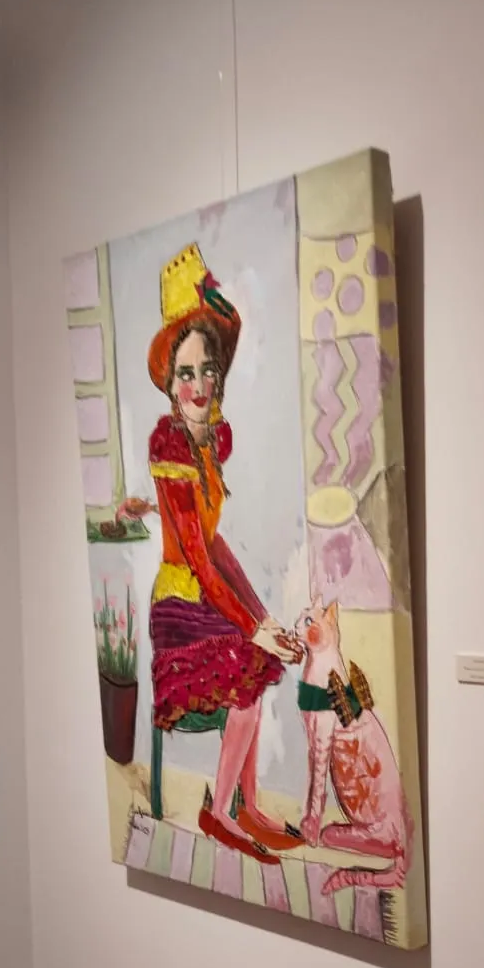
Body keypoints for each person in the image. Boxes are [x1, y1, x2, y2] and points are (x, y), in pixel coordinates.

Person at [146, 242, 301, 856]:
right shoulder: (169, 444)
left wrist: (261, 615)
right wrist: (252, 628)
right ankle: (219, 811)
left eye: (206, 370)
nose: (198, 384)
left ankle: (247, 805)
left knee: (256, 661)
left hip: (206, 595)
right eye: (185, 373)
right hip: (177, 608)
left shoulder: (211, 441)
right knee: (247, 665)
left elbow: (216, 546)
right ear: (170, 382)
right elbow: (195, 558)